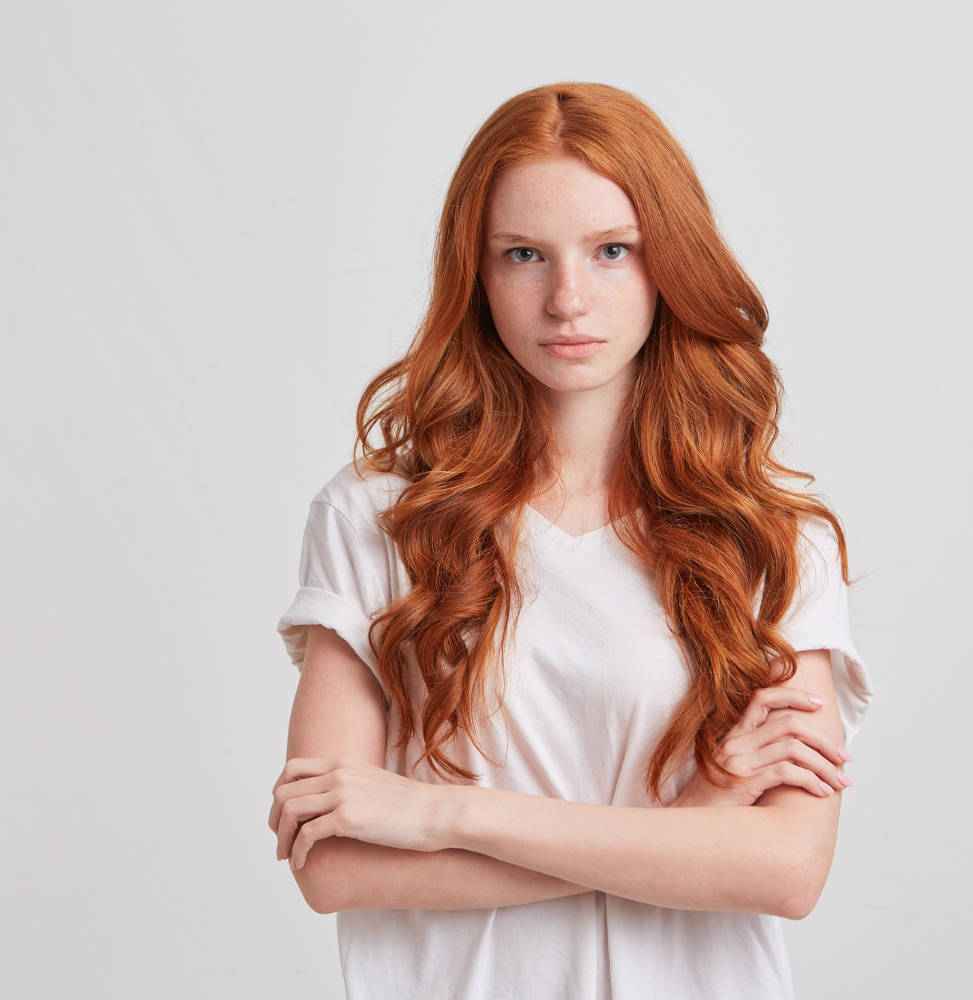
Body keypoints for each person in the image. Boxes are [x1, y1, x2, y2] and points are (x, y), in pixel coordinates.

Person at [268, 81, 875, 1000]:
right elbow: (335, 865)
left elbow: (786, 869)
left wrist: (441, 815)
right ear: (475, 274)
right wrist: (692, 825)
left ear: (669, 261)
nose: (567, 298)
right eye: (523, 254)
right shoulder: (375, 517)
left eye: (612, 251)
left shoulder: (770, 537)